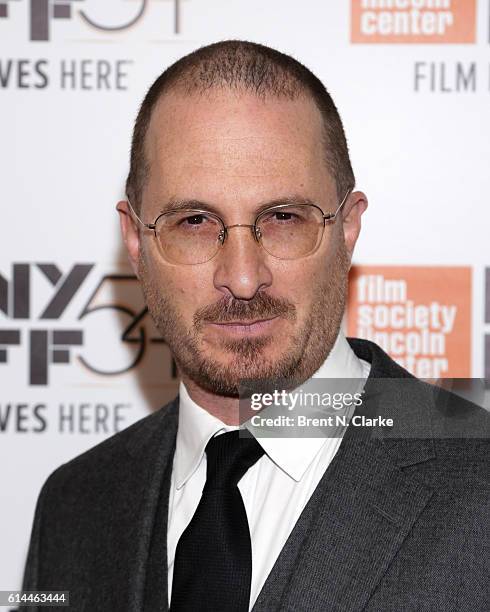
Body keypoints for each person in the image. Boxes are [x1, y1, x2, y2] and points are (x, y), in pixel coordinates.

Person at [21, 40, 489, 612]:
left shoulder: (478, 477)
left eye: (283, 218)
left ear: (347, 229)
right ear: (136, 240)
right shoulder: (74, 504)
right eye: (193, 221)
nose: (242, 278)